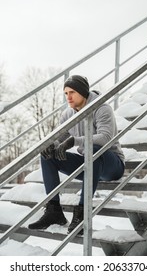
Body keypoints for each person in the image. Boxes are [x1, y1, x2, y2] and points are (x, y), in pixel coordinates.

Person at [28, 75, 125, 234]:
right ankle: (54, 211)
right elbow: (60, 137)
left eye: (72, 92)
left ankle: (82, 213)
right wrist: (52, 144)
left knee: (93, 149)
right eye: (66, 93)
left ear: (83, 92)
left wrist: (74, 141)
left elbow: (105, 137)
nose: (68, 97)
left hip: (111, 165)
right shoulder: (67, 114)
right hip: (89, 165)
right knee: (48, 156)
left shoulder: (102, 108)